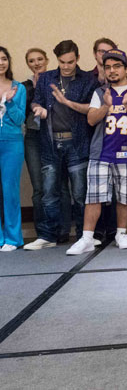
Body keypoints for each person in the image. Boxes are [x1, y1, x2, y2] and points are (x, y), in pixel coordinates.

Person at [66, 49, 127, 255]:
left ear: (126, 68)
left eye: (117, 66)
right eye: (108, 67)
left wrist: (126, 104)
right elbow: (92, 119)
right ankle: (87, 238)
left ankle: (121, 233)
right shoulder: (99, 93)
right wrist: (107, 105)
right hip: (101, 153)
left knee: (124, 196)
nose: (112, 71)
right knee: (93, 196)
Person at [24, 40, 99, 250]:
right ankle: (47, 235)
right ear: (56, 60)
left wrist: (67, 103)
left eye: (70, 62)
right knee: (49, 192)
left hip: (77, 143)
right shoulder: (47, 78)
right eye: (62, 62)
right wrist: (39, 108)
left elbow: (92, 109)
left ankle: (85, 236)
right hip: (50, 143)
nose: (66, 66)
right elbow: (35, 100)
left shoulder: (87, 79)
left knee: (79, 193)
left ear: (78, 58)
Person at [21, 48, 73, 247]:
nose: (36, 63)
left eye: (40, 59)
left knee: (60, 185)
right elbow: (25, 112)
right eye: (32, 60)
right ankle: (43, 232)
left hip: (54, 136)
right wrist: (34, 89)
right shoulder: (24, 86)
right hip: (34, 137)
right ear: (28, 64)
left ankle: (62, 230)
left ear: (47, 60)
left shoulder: (56, 80)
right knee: (39, 187)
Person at [90, 37, 119, 242]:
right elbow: (87, 111)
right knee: (96, 189)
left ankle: (114, 229)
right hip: (93, 138)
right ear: (95, 54)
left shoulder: (120, 76)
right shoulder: (86, 78)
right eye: (101, 51)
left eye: (109, 51)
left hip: (117, 138)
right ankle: (96, 231)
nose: (104, 54)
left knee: (117, 188)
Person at [0, 47, 26, 251]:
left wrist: (9, 102)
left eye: (4, 59)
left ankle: (13, 238)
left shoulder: (19, 88)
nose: (1, 63)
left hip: (12, 142)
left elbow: (19, 119)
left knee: (10, 190)